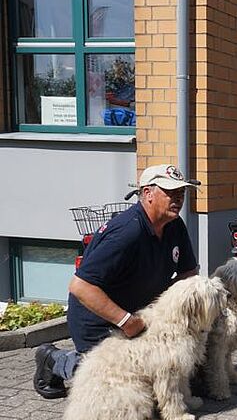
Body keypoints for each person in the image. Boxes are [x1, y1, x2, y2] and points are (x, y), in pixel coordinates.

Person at [33, 164, 200, 399]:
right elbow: (80, 286)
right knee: (120, 379)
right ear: (148, 193)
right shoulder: (127, 232)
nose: (178, 198)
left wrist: (178, 310)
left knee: (176, 377)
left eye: (181, 193)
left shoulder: (175, 225)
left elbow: (188, 274)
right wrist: (125, 321)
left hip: (141, 316)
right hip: (100, 320)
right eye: (170, 192)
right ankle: (54, 360)